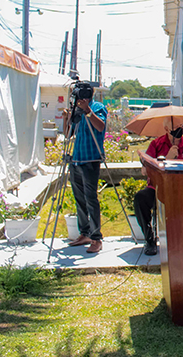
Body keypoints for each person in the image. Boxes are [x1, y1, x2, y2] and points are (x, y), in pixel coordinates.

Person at [136, 117, 183, 255]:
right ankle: (149, 239)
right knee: (141, 198)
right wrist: (167, 158)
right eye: (174, 126)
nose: (178, 128)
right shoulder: (156, 144)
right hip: (159, 189)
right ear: (166, 129)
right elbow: (145, 170)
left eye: (180, 125)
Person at [63, 92, 108, 254]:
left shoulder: (97, 107)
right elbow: (68, 134)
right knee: (79, 198)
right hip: (76, 160)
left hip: (91, 160)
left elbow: (101, 126)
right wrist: (66, 119)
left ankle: (97, 238)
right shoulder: (78, 112)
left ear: (85, 98)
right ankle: (85, 233)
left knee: (91, 199)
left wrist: (88, 110)